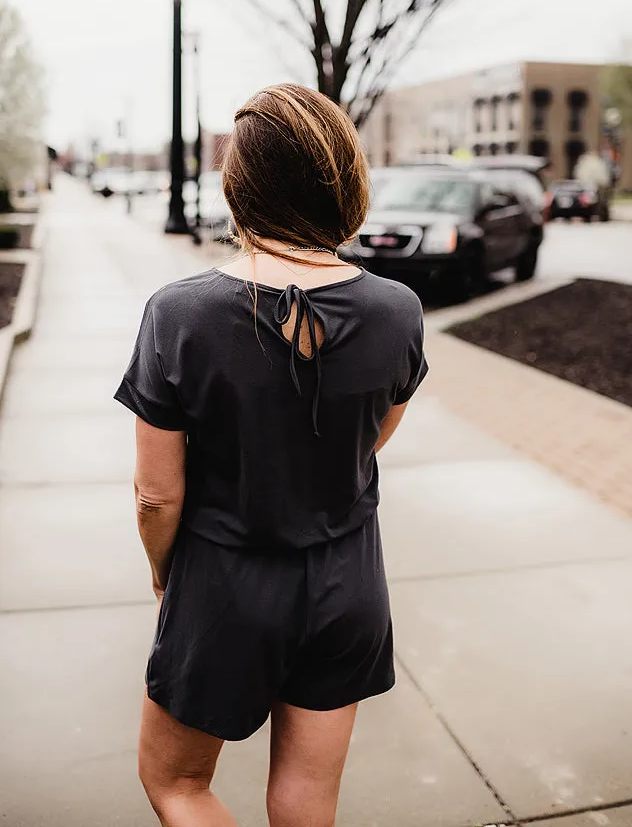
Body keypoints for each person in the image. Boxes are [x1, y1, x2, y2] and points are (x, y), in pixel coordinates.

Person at [114, 83, 428, 827]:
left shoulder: (180, 314)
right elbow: (372, 436)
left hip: (225, 582)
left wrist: (166, 572)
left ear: (238, 188)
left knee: (177, 784)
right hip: (348, 584)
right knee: (306, 797)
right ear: (346, 181)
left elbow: (158, 496)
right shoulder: (397, 311)